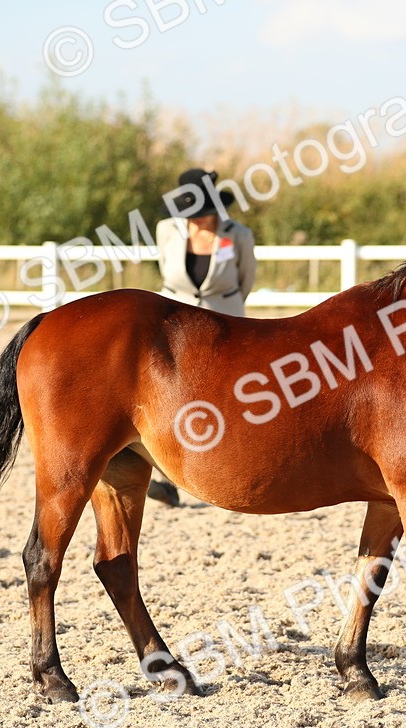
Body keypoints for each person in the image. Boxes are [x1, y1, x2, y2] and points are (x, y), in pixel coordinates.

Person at [148, 168, 258, 505]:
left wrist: (227, 308)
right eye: (192, 214)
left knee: (224, 399)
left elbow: (246, 280)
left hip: (225, 325)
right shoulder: (167, 230)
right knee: (172, 399)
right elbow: (165, 271)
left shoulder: (237, 235)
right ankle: (167, 478)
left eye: (204, 213)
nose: (200, 220)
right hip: (175, 329)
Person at [156, 168, 257, 316]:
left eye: (202, 211)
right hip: (174, 318)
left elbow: (247, 277)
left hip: (227, 318)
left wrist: (227, 304)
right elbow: (164, 268)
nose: (196, 217)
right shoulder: (166, 229)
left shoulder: (240, 234)